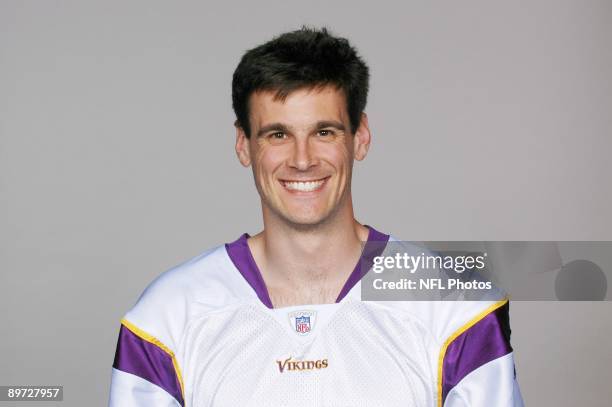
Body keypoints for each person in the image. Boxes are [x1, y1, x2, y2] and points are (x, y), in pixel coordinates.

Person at [109, 27, 523, 406]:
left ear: (360, 137)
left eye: (324, 132)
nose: (302, 160)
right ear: (244, 145)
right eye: (278, 134)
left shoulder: (453, 305)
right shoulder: (168, 316)